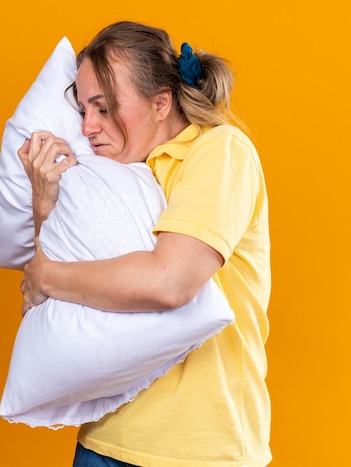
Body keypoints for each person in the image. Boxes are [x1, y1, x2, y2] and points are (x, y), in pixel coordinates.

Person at [18, 21, 271, 467]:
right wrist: (45, 204)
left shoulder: (219, 151)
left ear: (160, 103)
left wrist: (47, 275)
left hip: (202, 450)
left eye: (104, 107)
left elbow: (171, 282)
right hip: (105, 439)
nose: (89, 127)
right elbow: (47, 307)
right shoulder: (109, 177)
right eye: (82, 111)